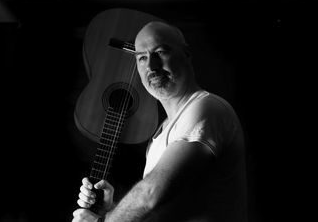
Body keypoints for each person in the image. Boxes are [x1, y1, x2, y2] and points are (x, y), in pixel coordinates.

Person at [72, 21, 248, 222]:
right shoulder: (161, 134)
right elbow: (163, 210)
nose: (151, 66)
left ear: (186, 55)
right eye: (142, 58)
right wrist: (111, 210)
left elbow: (149, 195)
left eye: (161, 53)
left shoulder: (206, 108)